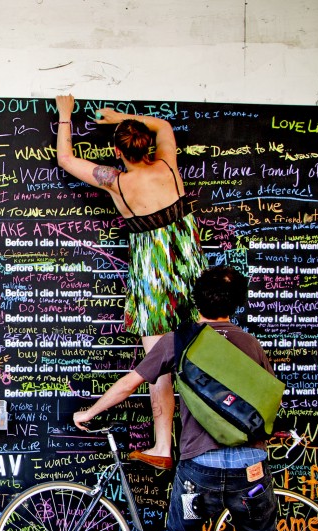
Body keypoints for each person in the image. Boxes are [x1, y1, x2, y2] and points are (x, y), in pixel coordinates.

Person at [72, 266, 284, 531]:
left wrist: (91, 410)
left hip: (198, 467)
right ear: (238, 303)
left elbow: (129, 383)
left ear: (195, 300)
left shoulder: (177, 341)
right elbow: (266, 407)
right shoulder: (253, 345)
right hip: (251, 470)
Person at [56, 95, 207, 469]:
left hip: (152, 277)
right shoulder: (169, 166)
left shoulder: (117, 183)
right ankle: (214, 438)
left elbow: (65, 160)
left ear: (117, 152)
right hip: (189, 270)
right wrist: (121, 117)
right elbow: (165, 127)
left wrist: (64, 115)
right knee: (206, 354)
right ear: (147, 146)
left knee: (158, 365)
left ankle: (162, 446)